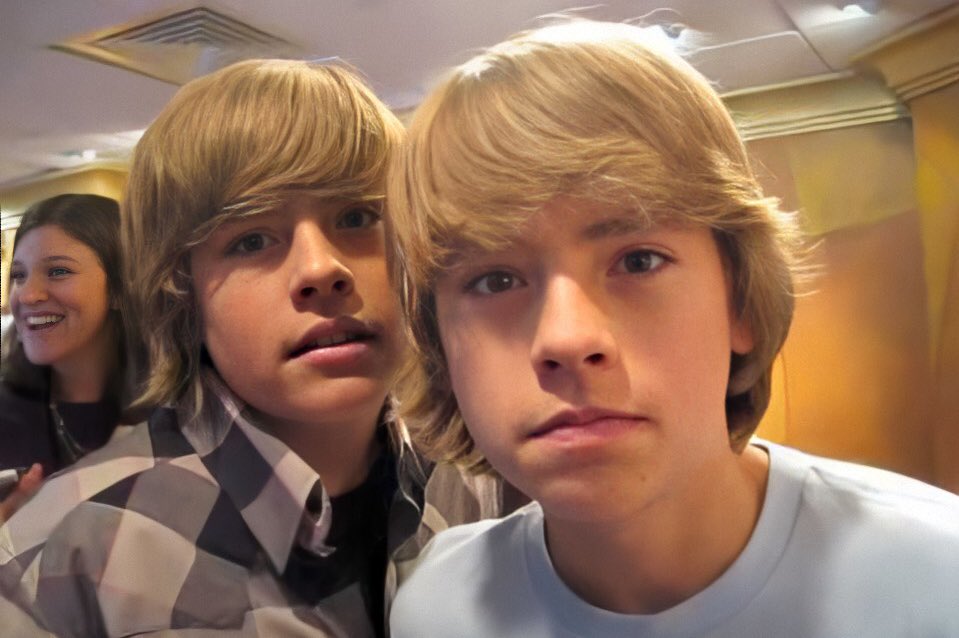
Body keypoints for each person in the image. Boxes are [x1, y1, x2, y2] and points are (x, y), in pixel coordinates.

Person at [386, 19, 959, 638]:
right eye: (495, 281)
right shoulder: (435, 610)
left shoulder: (937, 580)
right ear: (439, 346)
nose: (567, 340)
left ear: (739, 301)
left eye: (638, 261)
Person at [0, 59, 501, 637]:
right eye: (252, 239)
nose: (322, 269)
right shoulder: (59, 554)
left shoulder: (477, 489)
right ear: (181, 293)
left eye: (358, 216)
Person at [0, 194, 131, 522]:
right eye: (19, 275)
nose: (27, 295)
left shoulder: (179, 412)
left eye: (57, 271)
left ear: (119, 288)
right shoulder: (7, 413)